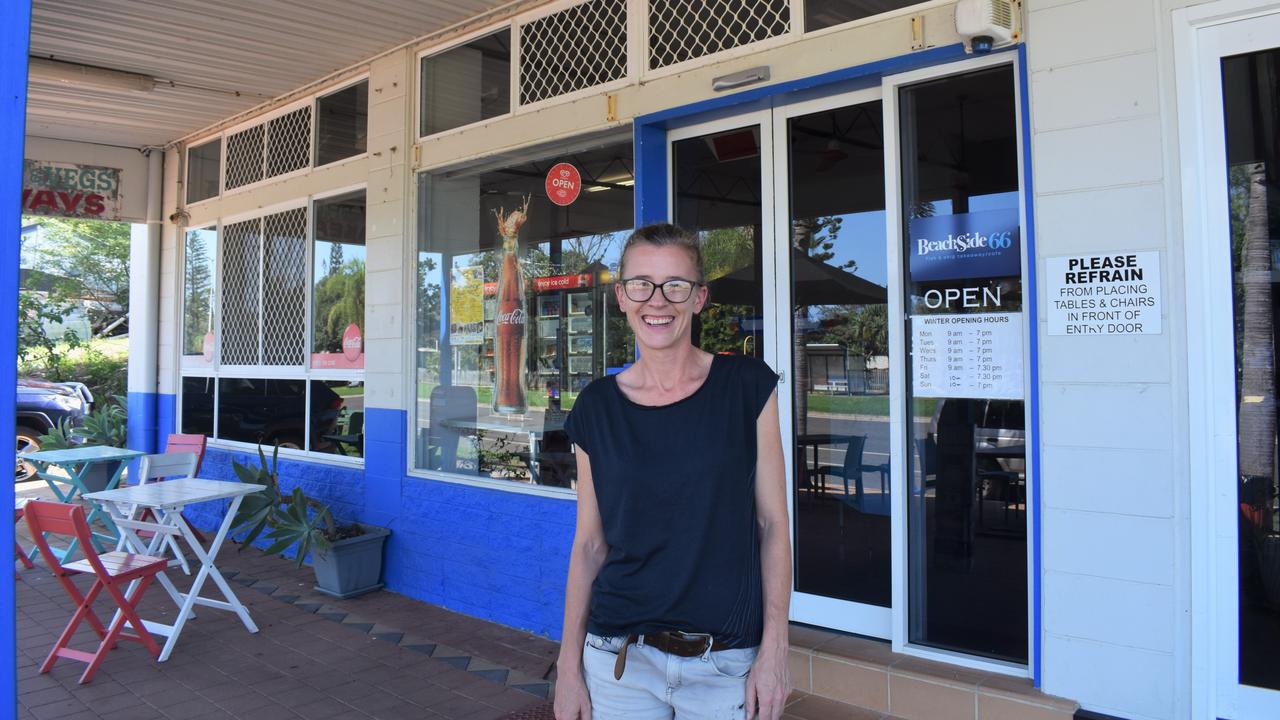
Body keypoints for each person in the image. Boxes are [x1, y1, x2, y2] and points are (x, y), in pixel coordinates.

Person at [554, 224, 791, 720]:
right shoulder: (596, 407)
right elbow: (589, 545)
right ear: (621, 296)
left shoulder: (746, 389)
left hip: (723, 664)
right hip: (616, 662)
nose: (656, 300)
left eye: (675, 285)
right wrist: (568, 668)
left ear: (699, 297)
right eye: (640, 283)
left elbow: (772, 526)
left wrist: (776, 649)